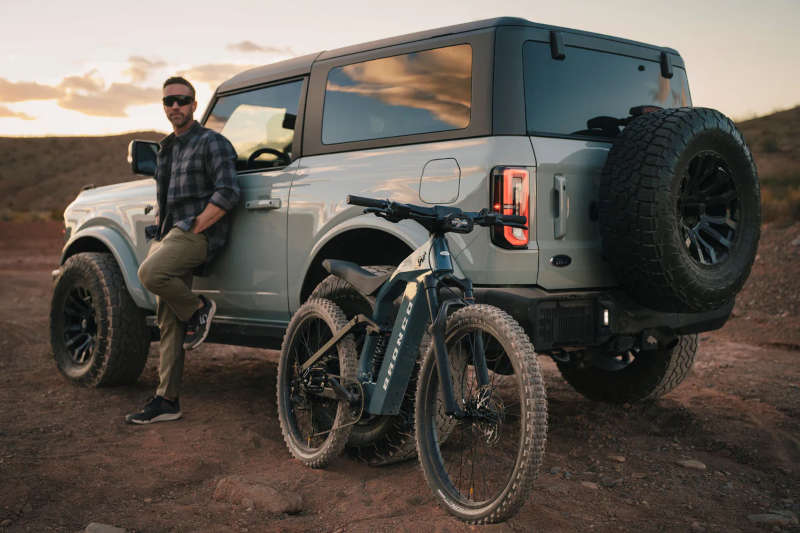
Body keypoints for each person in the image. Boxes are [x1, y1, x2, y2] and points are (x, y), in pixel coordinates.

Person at [125, 76, 240, 424]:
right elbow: (165, 199)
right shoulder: (167, 149)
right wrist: (161, 227)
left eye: (182, 100)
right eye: (169, 101)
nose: (175, 106)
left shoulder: (212, 142)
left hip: (195, 234)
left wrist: (196, 226)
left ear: (194, 104)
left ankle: (199, 309)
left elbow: (228, 192)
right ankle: (167, 400)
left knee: (149, 273)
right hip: (170, 235)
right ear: (164, 106)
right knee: (168, 320)